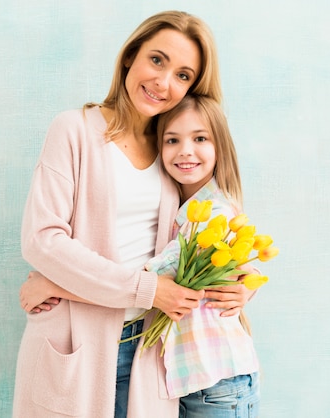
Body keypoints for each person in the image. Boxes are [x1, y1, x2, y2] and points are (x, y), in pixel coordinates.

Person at [13, 10, 233, 418]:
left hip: (150, 350)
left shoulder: (174, 150)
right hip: (75, 344)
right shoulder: (73, 130)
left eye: (183, 76)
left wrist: (242, 287)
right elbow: (44, 240)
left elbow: (216, 230)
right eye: (157, 60)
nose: (164, 83)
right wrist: (147, 291)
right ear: (131, 56)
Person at [21, 94, 261, 417]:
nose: (186, 150)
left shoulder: (211, 217)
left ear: (221, 147)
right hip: (191, 381)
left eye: (200, 138)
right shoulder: (184, 210)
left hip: (217, 383)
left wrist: (53, 286)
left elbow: (148, 282)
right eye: (172, 140)